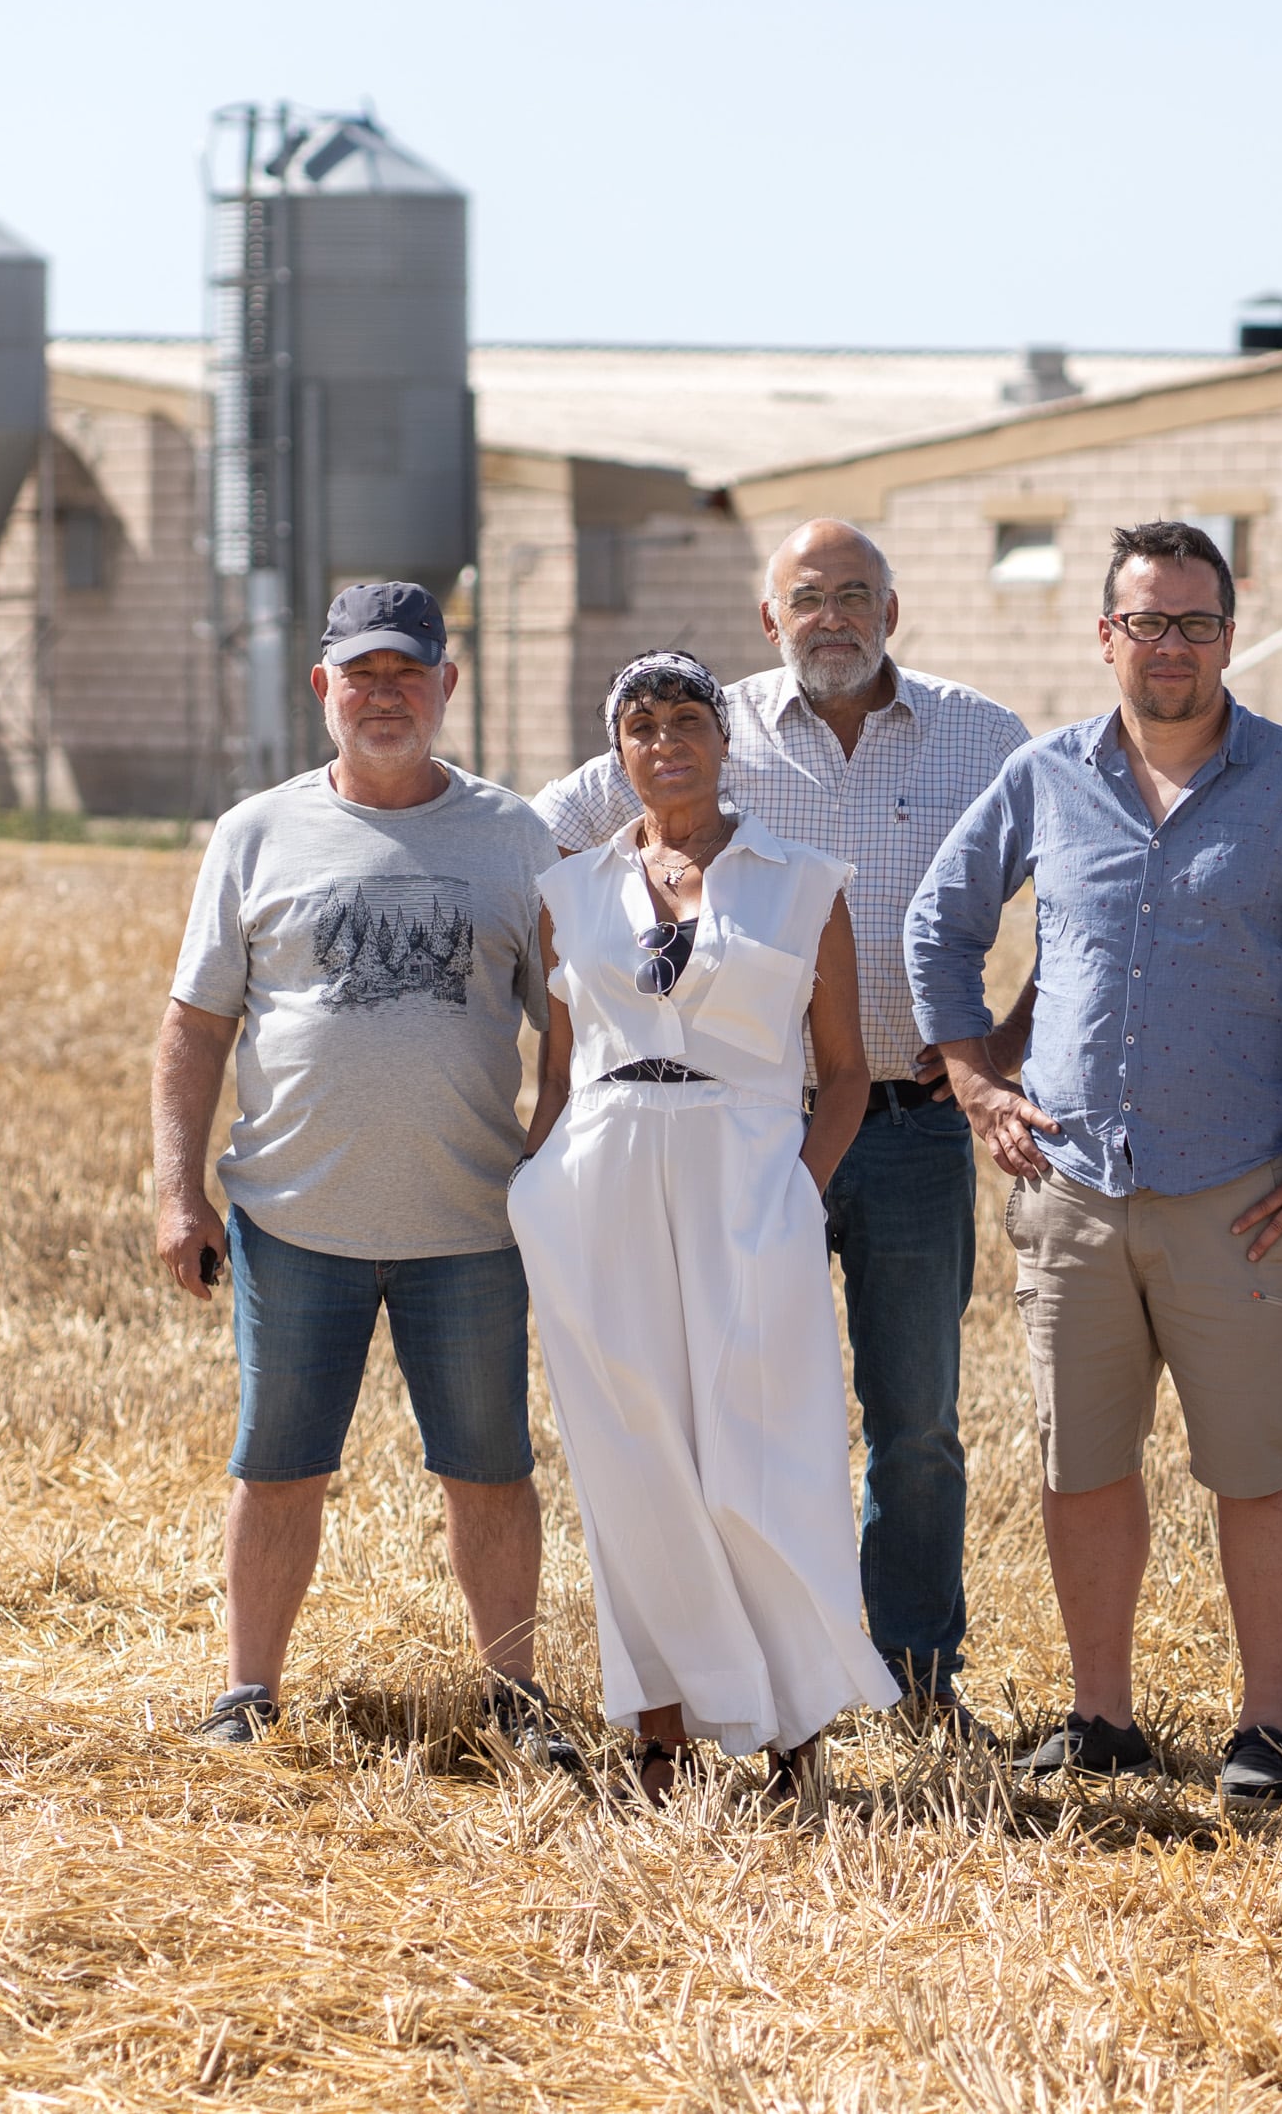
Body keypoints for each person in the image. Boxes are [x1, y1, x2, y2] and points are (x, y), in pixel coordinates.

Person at [905, 519, 1282, 1807]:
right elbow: (939, 920)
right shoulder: (1044, 777)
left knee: (1256, 1463)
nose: (1171, 645)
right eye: (1147, 620)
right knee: (1080, 1466)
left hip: (1237, 1197)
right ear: (1105, 636)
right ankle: (1101, 1717)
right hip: (1070, 1192)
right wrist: (974, 1081)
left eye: (1195, 622)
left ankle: (1268, 1727)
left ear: (1230, 638)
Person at [533, 520, 1029, 1736]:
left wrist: (991, 1051)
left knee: (911, 1421)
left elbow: (1079, 892)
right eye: (807, 598)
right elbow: (541, 841)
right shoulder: (705, 721)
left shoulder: (982, 735)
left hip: (900, 1119)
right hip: (707, 1145)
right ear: (770, 620)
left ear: (893, 612)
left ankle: (910, 1680)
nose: (832, 617)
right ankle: (718, 1683)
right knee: (717, 1419)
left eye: (856, 595)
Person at [151, 580, 569, 1760]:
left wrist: (549, 1155)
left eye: (410, 674)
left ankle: (514, 1700)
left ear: (449, 686)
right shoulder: (256, 833)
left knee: (489, 1470)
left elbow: (572, 1021)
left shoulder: (513, 837)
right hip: (293, 1221)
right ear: (322, 687)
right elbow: (194, 1027)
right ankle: (247, 1693)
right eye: (362, 675)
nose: (386, 695)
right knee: (277, 1466)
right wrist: (179, 1193)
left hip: (473, 1227)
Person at [510, 652, 900, 1804]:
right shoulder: (570, 892)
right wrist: (535, 1187)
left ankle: (793, 1734)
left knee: (764, 1452)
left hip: (749, 1186)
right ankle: (661, 1734)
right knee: (632, 1459)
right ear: (614, 749)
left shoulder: (802, 881)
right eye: (639, 725)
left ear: (725, 741)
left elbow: (843, 1077)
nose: (664, 740)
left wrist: (795, 1196)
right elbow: (562, 1068)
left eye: (687, 719)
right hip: (599, 1192)